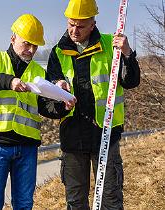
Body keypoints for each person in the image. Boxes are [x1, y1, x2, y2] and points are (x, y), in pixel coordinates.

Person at [0, 14, 75, 210]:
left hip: (27, 147)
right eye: (27, 44)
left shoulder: (39, 71)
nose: (31, 50)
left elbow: (46, 107)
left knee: (24, 204)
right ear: (13, 38)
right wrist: (9, 81)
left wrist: (63, 105)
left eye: (35, 46)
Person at [47, 0, 141, 209]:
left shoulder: (110, 45)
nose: (74, 30)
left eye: (81, 25)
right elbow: (48, 102)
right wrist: (58, 89)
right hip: (72, 139)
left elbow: (131, 81)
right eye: (71, 24)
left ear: (93, 23)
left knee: (111, 199)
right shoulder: (58, 53)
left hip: (105, 136)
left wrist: (127, 53)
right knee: (75, 202)